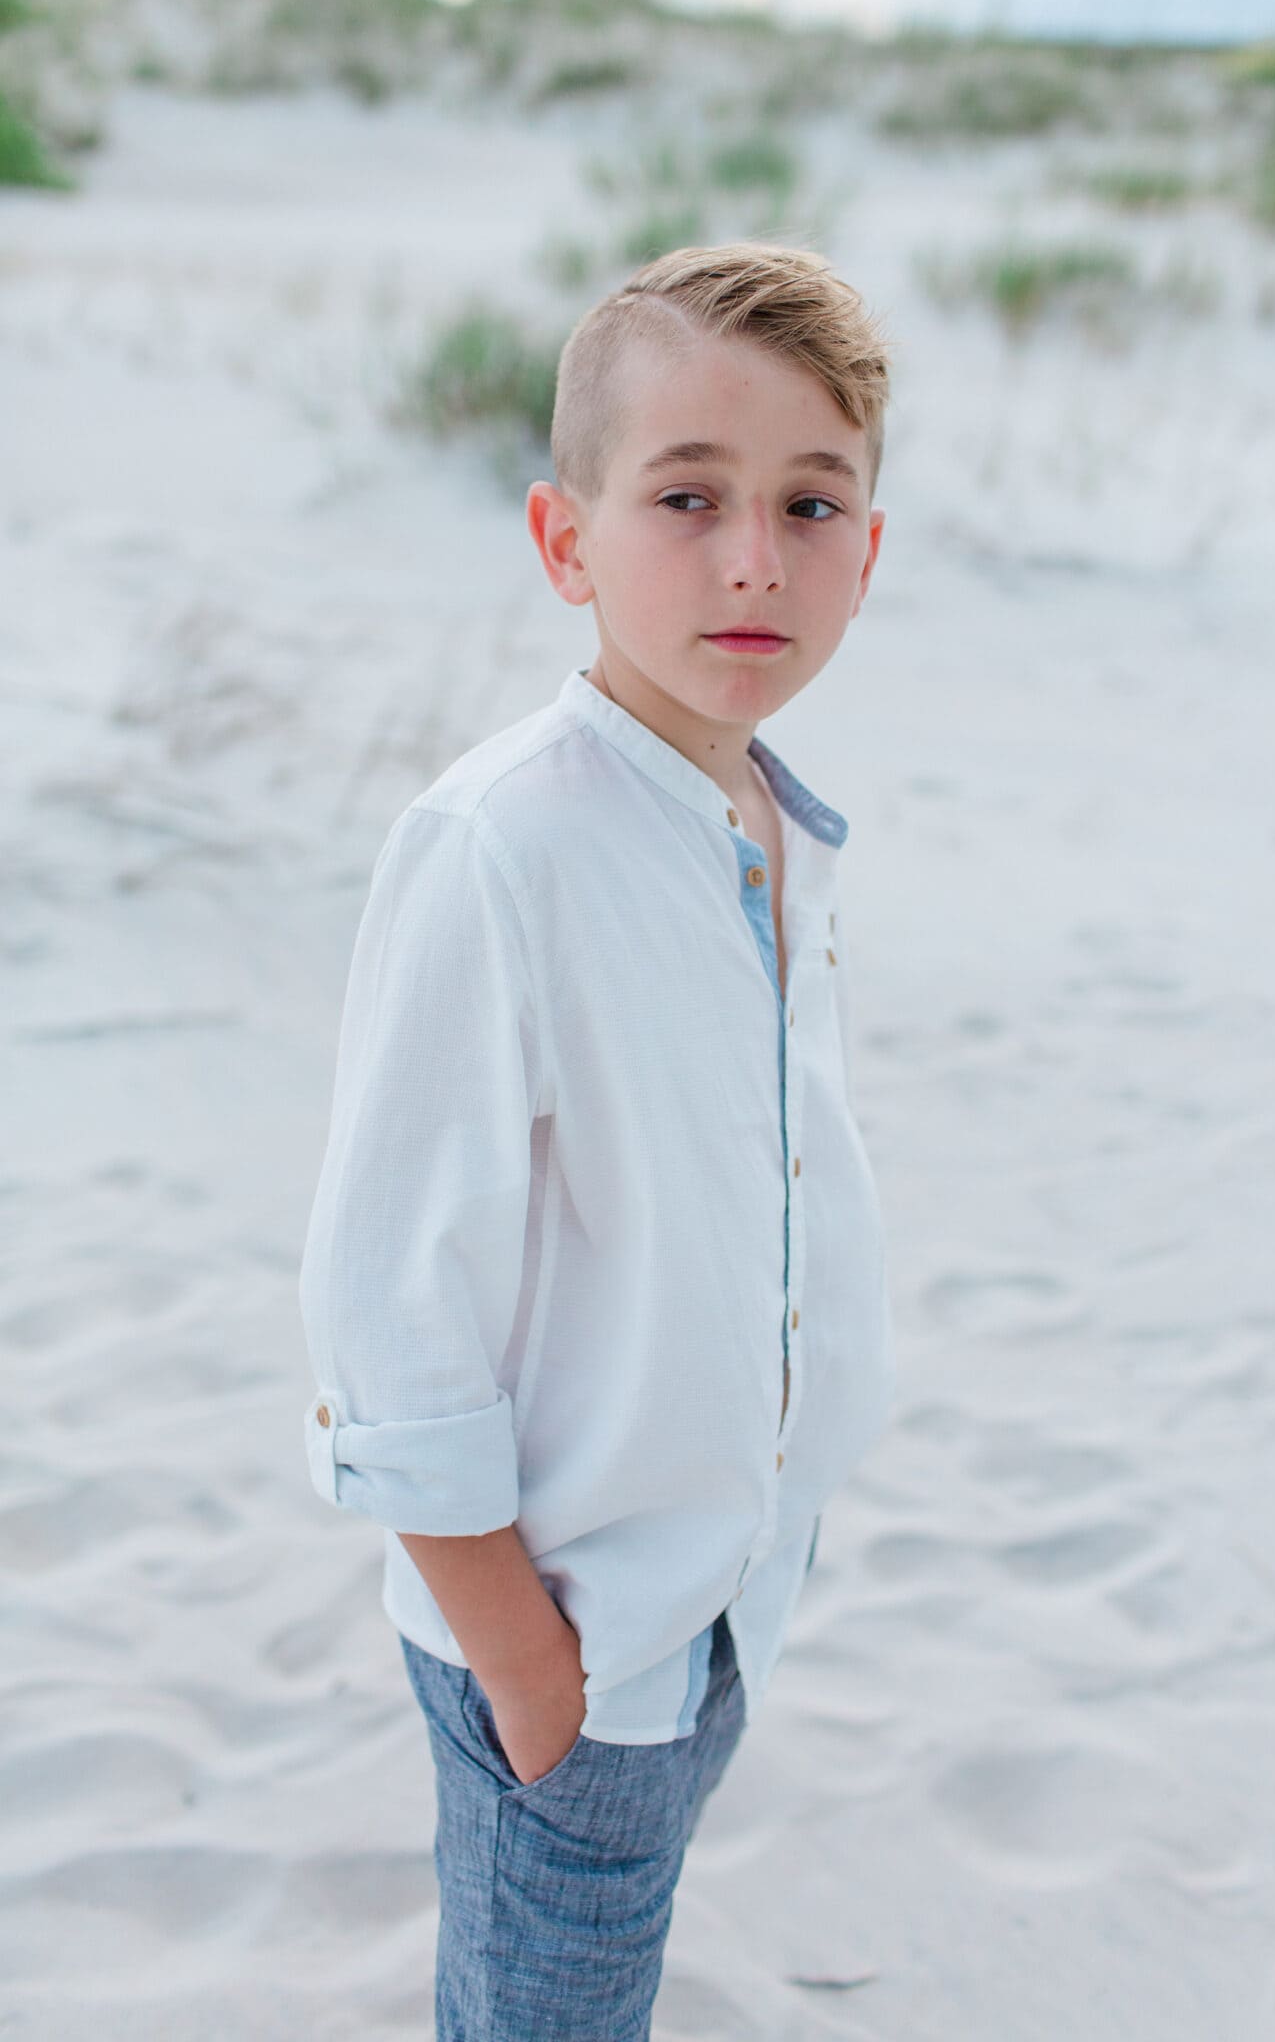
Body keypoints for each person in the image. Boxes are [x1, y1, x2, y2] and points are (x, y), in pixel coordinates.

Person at [298, 239, 900, 2039]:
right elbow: (384, 1304)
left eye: (811, 504)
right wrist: (526, 1668)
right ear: (567, 542)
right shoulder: (503, 850)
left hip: (716, 1601)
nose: (751, 557)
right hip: (570, 1650)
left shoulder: (765, 818)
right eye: (687, 496)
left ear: (868, 551)